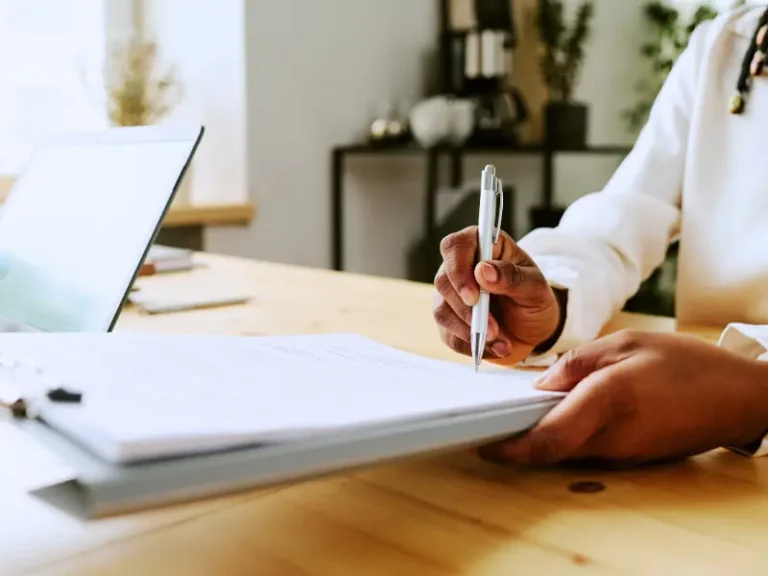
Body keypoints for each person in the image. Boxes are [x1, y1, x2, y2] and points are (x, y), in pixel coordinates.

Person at [433, 5, 768, 468]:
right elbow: (625, 217)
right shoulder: (727, 42)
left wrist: (753, 395)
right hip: (715, 460)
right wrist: (549, 298)